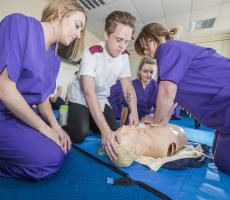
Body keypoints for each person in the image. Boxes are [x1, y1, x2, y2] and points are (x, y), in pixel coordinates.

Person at [0, 0, 86, 180]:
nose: (78, 35)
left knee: (63, 144)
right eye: (77, 26)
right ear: (61, 12)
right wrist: (43, 128)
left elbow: (42, 99)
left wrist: (56, 127)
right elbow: (3, 87)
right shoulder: (18, 24)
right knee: (50, 159)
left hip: (14, 114)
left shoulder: (54, 60)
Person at [134, 22, 230, 178]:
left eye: (146, 47)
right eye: (143, 52)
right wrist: (161, 121)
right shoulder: (172, 59)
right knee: (218, 154)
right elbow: (173, 99)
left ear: (158, 36)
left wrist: (156, 118)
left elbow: (167, 91)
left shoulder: (168, 48)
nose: (148, 53)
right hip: (226, 118)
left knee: (228, 163)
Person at [67, 11, 139, 161]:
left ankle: (91, 119)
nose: (122, 46)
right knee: (79, 135)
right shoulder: (92, 53)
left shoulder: (124, 57)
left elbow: (127, 86)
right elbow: (88, 92)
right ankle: (70, 122)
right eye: (119, 40)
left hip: (100, 98)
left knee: (113, 131)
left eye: (126, 41)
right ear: (106, 35)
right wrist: (104, 131)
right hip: (80, 96)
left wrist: (134, 111)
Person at [112, 124, 188, 167]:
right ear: (137, 149)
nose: (123, 127)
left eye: (119, 130)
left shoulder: (139, 137)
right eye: (124, 133)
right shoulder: (162, 142)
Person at [120, 57, 158, 126]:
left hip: (147, 120)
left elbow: (157, 109)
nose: (148, 75)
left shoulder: (157, 86)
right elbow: (125, 108)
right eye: (145, 71)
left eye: (151, 72)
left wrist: (155, 121)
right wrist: (121, 125)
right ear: (139, 71)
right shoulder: (131, 85)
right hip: (132, 120)